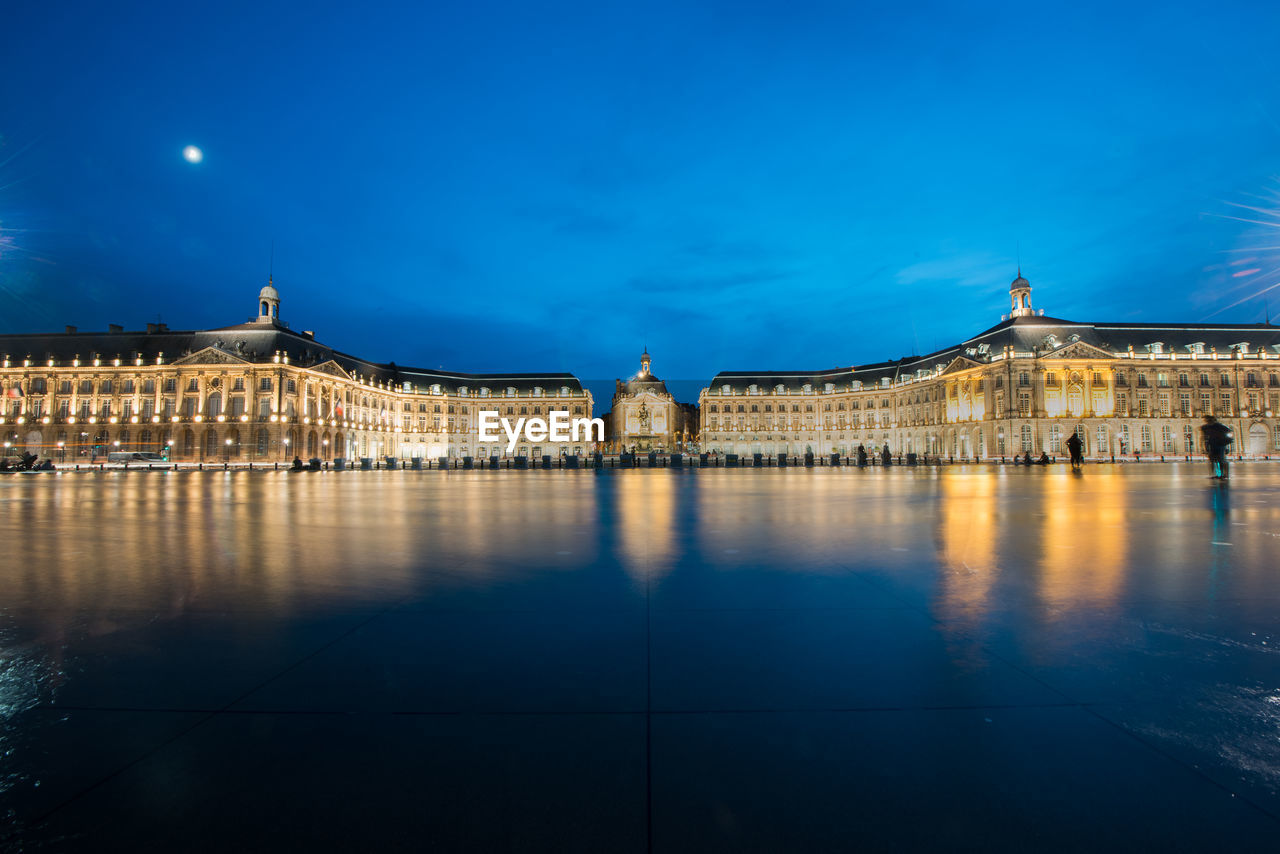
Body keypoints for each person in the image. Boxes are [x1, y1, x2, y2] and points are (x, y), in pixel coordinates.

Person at [1201, 415, 1233, 480]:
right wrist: (1205, 446)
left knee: (1221, 460)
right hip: (1212, 445)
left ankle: (1224, 474)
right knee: (1213, 460)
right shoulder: (1206, 427)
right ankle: (1217, 474)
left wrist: (1226, 442)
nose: (1207, 421)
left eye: (1208, 420)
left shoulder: (1219, 426)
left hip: (1220, 445)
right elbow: (1204, 437)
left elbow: (1229, 432)